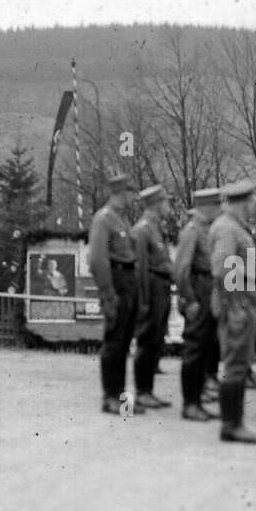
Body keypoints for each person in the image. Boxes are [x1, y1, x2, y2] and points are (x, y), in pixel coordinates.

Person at [210, 181, 256, 443]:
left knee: (240, 363)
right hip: (237, 304)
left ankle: (235, 422)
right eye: (252, 200)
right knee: (235, 364)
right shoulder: (227, 228)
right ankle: (231, 425)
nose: (254, 204)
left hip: (244, 301)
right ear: (242, 201)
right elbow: (222, 268)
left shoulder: (237, 227)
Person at [87, 174, 141, 415]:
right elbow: (98, 259)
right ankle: (111, 397)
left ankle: (120, 397)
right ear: (121, 192)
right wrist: (108, 293)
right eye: (131, 192)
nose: (133, 197)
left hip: (128, 282)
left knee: (124, 342)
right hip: (116, 283)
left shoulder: (121, 219)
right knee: (114, 342)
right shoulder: (104, 219)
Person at [175, 188, 222, 422]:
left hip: (208, 290)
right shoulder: (192, 231)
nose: (220, 209)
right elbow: (181, 270)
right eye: (216, 205)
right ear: (206, 207)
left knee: (204, 347)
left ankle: (198, 398)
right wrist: (190, 300)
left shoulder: (208, 230)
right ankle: (190, 404)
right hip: (198, 290)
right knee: (194, 348)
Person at [131, 184, 173, 411]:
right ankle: (142, 392)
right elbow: (140, 268)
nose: (168, 206)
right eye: (166, 202)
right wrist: (144, 301)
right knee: (147, 341)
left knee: (156, 339)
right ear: (156, 204)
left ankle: (149, 391)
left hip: (162, 286)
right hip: (152, 287)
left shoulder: (157, 228)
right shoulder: (143, 229)